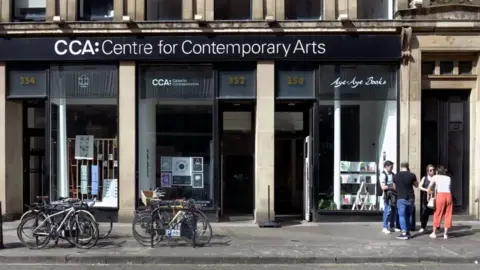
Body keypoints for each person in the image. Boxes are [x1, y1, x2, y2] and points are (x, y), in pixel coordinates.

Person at [393, 162, 418, 240]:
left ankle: (404, 233)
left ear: (401, 167)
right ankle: (407, 231)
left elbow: (394, 188)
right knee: (408, 215)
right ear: (408, 167)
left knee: (401, 215)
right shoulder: (412, 175)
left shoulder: (396, 176)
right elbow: (416, 185)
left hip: (401, 197)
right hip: (410, 197)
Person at [427, 165, 453, 239]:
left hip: (440, 195)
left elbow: (429, 187)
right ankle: (445, 234)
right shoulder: (448, 178)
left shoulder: (435, 177)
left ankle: (434, 233)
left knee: (437, 213)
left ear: (437, 171)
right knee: (448, 214)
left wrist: (429, 193)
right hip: (448, 195)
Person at [380, 160, 397, 234]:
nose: (392, 168)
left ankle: (392, 226)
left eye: (392, 167)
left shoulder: (393, 174)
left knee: (394, 210)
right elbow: (383, 187)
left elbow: (395, 185)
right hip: (387, 195)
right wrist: (391, 186)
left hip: (393, 194)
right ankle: (385, 227)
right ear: (386, 166)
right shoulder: (383, 175)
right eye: (391, 167)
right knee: (387, 210)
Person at [418, 164, 436, 233]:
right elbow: (420, 186)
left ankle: (436, 226)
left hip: (434, 196)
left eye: (433, 170)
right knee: (425, 212)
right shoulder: (424, 178)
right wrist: (426, 190)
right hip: (426, 196)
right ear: (428, 171)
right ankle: (423, 226)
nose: (432, 171)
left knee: (436, 212)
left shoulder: (436, 177)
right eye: (430, 170)